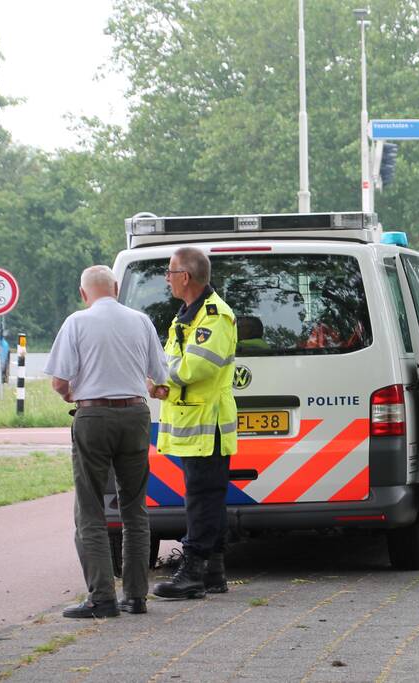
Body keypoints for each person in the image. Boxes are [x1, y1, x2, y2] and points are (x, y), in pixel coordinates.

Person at [44, 265, 168, 618]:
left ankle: (102, 598)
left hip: (93, 417)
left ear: (84, 294)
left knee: (91, 509)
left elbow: (58, 381)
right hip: (135, 416)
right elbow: (159, 376)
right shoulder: (141, 321)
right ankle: (136, 597)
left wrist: (71, 394)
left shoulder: (77, 323)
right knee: (135, 509)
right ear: (116, 287)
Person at [152, 247, 237, 599]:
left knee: (201, 499)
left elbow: (195, 367)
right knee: (207, 498)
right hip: (194, 423)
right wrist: (161, 381)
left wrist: (158, 378)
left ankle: (191, 572)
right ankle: (213, 572)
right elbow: (175, 361)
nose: (167, 280)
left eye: (170, 273)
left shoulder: (214, 317)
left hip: (207, 425)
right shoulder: (186, 315)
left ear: (185, 277)